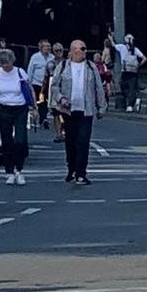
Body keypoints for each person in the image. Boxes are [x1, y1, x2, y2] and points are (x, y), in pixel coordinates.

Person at [47, 40, 107, 186]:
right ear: (74, 51)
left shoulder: (91, 67)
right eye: (82, 49)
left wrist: (101, 107)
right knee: (71, 142)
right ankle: (71, 169)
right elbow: (54, 86)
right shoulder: (63, 66)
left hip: (86, 111)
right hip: (69, 111)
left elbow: (98, 87)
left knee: (83, 142)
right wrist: (61, 98)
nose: (85, 51)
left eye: (85, 49)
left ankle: (81, 174)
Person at [0, 48, 33, 185]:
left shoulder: (20, 72)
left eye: (7, 63)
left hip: (20, 108)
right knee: (6, 140)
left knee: (20, 139)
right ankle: (9, 171)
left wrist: (34, 106)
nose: (5, 66)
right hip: (4, 108)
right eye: (2, 63)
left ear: (12, 61)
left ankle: (19, 169)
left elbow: (29, 89)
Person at [114, 34, 145, 112]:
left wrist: (111, 38)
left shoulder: (122, 47)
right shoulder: (135, 49)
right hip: (134, 71)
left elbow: (113, 45)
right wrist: (138, 66)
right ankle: (131, 104)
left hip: (125, 71)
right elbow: (144, 58)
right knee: (132, 88)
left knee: (123, 86)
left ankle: (130, 104)